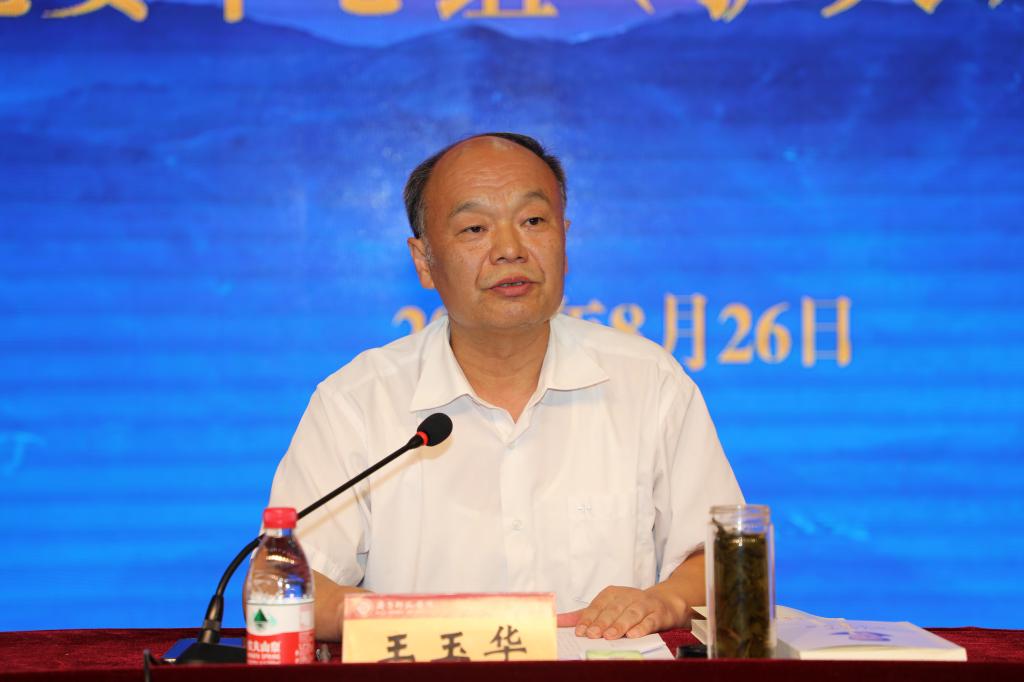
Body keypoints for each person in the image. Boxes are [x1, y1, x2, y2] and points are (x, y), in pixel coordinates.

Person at [267, 132, 744, 642]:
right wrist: (423, 622)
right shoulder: (358, 402)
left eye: (533, 221)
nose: (510, 250)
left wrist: (662, 601)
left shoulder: (648, 382)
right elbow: (285, 582)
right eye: (475, 228)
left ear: (564, 239)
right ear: (424, 261)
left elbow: (724, 562)